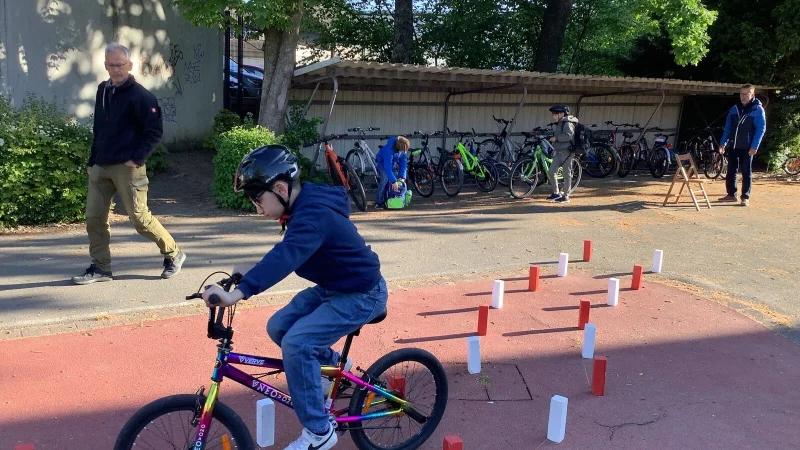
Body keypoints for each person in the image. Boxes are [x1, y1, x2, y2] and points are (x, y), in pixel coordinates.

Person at [201, 145, 388, 450]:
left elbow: (287, 255)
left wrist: (239, 292)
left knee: (298, 344)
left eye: (258, 200)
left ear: (280, 188)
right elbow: (289, 255)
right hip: (335, 286)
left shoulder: (312, 216)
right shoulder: (302, 208)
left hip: (363, 294)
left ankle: (319, 432)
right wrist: (245, 274)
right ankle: (332, 370)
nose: (257, 209)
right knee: (279, 327)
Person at [73, 42, 186, 285]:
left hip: (128, 167)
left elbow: (154, 132)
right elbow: (99, 128)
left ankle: (173, 253)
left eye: (120, 65)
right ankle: (101, 268)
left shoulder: (142, 96)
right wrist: (92, 161)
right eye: (111, 65)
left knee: (139, 219)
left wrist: (136, 159)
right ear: (106, 66)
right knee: (93, 218)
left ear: (129, 65)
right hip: (101, 166)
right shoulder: (103, 90)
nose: (116, 70)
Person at [718, 84, 767, 207]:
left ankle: (745, 197)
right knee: (731, 171)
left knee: (746, 172)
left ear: (752, 95)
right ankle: (731, 195)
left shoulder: (757, 110)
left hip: (747, 147)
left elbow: (761, 129)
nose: (743, 97)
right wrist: (723, 143)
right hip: (733, 146)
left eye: (746, 94)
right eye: (741, 94)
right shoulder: (734, 109)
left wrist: (755, 146)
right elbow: (728, 128)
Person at [547, 104, 580, 204]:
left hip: (567, 152)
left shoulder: (567, 123)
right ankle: (556, 193)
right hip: (559, 151)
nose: (553, 115)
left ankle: (566, 196)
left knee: (567, 175)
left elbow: (569, 136)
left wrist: (556, 139)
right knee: (551, 171)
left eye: (555, 113)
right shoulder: (560, 123)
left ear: (562, 113)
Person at [374, 136, 410, 208]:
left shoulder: (402, 150)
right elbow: (387, 168)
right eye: (403, 150)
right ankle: (379, 201)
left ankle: (396, 198)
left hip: (393, 163)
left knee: (399, 180)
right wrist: (393, 181)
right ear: (399, 148)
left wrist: (402, 177)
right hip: (383, 164)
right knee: (385, 179)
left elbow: (403, 164)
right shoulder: (388, 151)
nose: (404, 152)